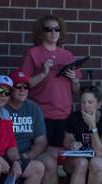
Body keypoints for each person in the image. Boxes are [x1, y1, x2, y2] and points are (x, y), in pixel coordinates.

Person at [21, 14, 82, 173]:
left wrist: (74, 78)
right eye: (48, 29)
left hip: (63, 114)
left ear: (61, 33)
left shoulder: (67, 56)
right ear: (41, 32)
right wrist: (43, 72)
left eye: (57, 29)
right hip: (41, 113)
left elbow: (76, 90)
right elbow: (24, 85)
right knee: (43, 158)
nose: (53, 33)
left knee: (54, 158)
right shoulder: (33, 53)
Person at [62, 86, 102, 184]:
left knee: (97, 163)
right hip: (75, 161)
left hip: (94, 160)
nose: (86, 106)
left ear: (98, 104)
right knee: (81, 163)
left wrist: (92, 126)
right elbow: (66, 142)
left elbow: (100, 152)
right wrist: (72, 144)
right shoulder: (74, 117)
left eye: (90, 102)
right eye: (83, 102)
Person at [4, 70, 49, 184]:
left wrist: (27, 156)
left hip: (24, 156)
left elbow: (41, 141)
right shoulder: (2, 107)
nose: (22, 90)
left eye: (26, 87)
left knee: (39, 167)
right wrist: (15, 159)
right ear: (11, 89)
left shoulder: (33, 108)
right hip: (4, 155)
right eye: (18, 86)